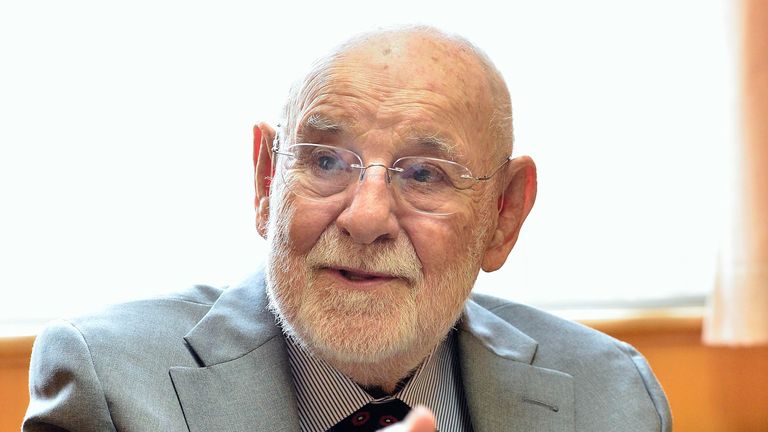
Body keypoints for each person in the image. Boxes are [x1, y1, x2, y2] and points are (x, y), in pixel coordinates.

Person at [23, 26, 671, 432]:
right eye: (326, 161)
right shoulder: (111, 386)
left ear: (503, 215)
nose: (365, 217)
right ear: (265, 180)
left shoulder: (610, 396)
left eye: (425, 175)